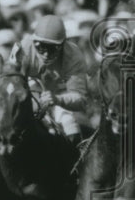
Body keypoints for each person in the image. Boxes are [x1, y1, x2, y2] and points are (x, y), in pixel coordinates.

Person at [9, 15, 88, 143]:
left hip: (59, 94)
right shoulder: (23, 48)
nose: (45, 54)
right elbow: (10, 83)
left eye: (52, 48)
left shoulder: (74, 56)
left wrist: (58, 99)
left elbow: (80, 99)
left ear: (63, 45)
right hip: (30, 90)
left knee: (69, 125)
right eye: (40, 46)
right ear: (33, 41)